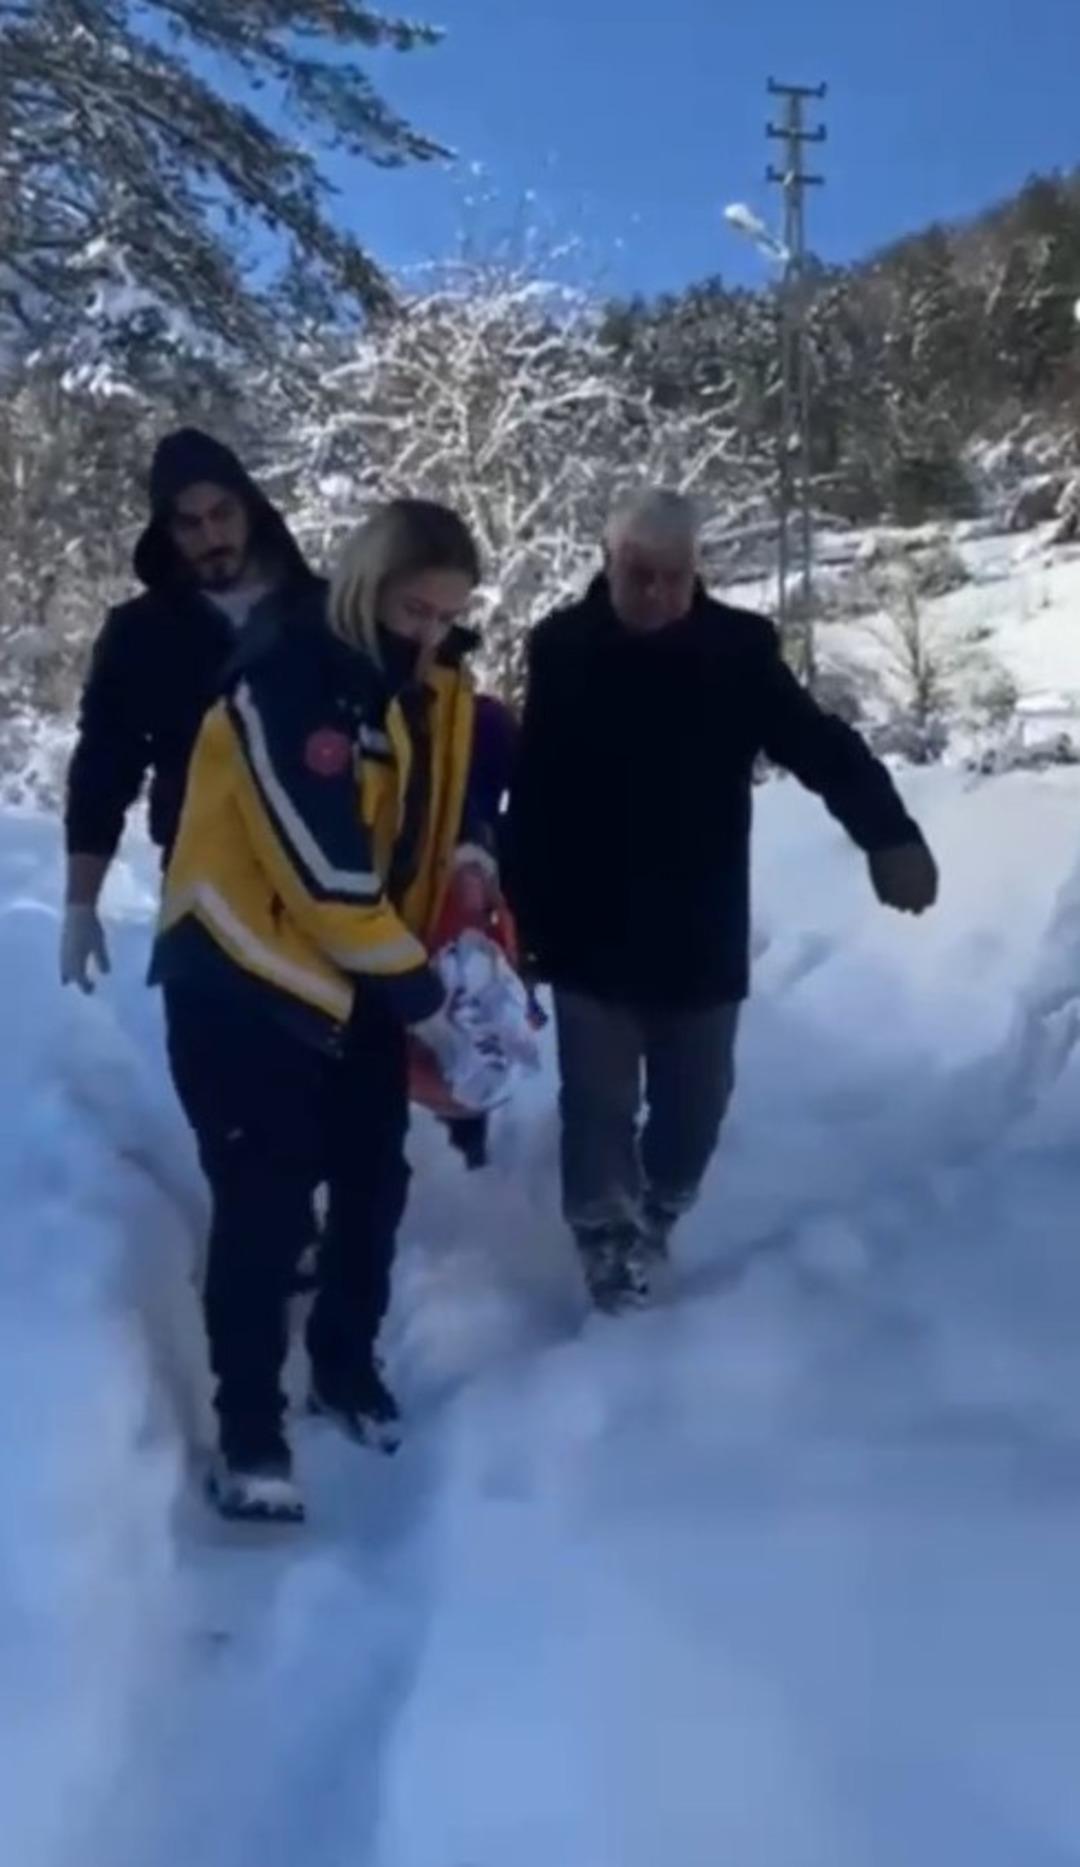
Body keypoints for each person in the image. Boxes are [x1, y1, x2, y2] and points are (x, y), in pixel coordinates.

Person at [151, 499, 504, 1522]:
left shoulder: (416, 687)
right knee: (264, 1204)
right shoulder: (289, 673)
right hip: (240, 970)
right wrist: (421, 992)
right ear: (365, 588)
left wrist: (470, 864)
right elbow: (323, 869)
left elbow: (422, 822)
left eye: (448, 616)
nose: (430, 633)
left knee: (372, 1179)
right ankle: (249, 1433)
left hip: (350, 976)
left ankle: (345, 1364)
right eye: (414, 610)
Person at [504, 488, 939, 1314]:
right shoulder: (563, 647)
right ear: (608, 561)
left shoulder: (737, 650)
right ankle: (606, 1235)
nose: (657, 592)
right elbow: (537, 792)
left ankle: (661, 1207)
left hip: (697, 924)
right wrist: (518, 912)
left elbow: (819, 744)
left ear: (696, 571)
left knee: (696, 1106)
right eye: (640, 574)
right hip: (587, 923)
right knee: (597, 1100)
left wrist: (889, 833)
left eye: (674, 576)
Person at [61, 428, 324, 989]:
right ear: (167, 532)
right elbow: (104, 767)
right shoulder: (140, 634)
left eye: (222, 514)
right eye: (190, 523)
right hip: (202, 895)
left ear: (251, 510)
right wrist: (81, 903)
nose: (211, 536)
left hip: (328, 890)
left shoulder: (326, 616)